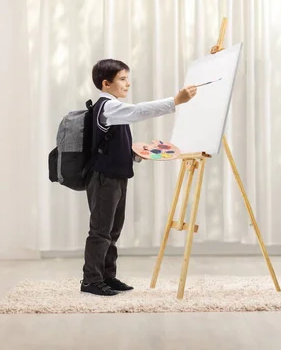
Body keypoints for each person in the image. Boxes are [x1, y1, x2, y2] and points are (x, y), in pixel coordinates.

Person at [81, 58, 197, 296]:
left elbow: (112, 143)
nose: (127, 84)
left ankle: (107, 276)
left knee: (113, 231)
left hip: (116, 176)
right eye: (122, 79)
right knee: (101, 231)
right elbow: (138, 111)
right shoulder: (108, 106)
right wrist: (175, 101)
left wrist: (135, 154)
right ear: (106, 83)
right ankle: (91, 280)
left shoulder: (113, 108)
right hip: (104, 179)